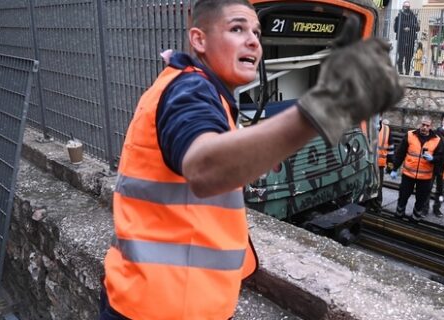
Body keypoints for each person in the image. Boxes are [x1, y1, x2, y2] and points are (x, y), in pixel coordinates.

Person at [98, 1, 404, 319]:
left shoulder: (203, 92)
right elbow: (205, 168)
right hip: (162, 309)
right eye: (237, 29)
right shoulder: (189, 91)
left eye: (257, 32)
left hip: (162, 299)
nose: (253, 40)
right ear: (199, 40)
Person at [390, 117, 444, 222]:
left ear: (431, 126)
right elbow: (400, 152)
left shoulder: (437, 140)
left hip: (425, 177)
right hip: (408, 174)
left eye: (427, 125)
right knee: (403, 196)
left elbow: (441, 157)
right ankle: (399, 215)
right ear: (419, 124)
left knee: (421, 200)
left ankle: (415, 219)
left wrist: (433, 158)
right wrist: (394, 168)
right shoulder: (410, 135)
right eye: (423, 124)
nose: (424, 127)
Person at [423, 114, 444, 217]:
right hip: (432, 165)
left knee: (440, 191)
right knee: (427, 188)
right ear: (442, 121)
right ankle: (424, 208)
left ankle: (437, 208)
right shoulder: (434, 133)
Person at [366, 118, 394, 214]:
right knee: (367, 185)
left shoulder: (387, 130)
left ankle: (377, 206)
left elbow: (391, 149)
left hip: (380, 165)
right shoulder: (365, 126)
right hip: (367, 164)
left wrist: (390, 165)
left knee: (378, 187)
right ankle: (367, 205)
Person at [394, 1, 419, 76]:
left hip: (410, 40)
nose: (406, 8)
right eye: (405, 6)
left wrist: (410, 28)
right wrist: (403, 29)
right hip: (401, 40)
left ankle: (407, 72)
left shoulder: (413, 17)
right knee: (401, 57)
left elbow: (417, 28)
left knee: (409, 58)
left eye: (407, 6)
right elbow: (395, 29)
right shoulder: (399, 16)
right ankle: (400, 71)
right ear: (403, 7)